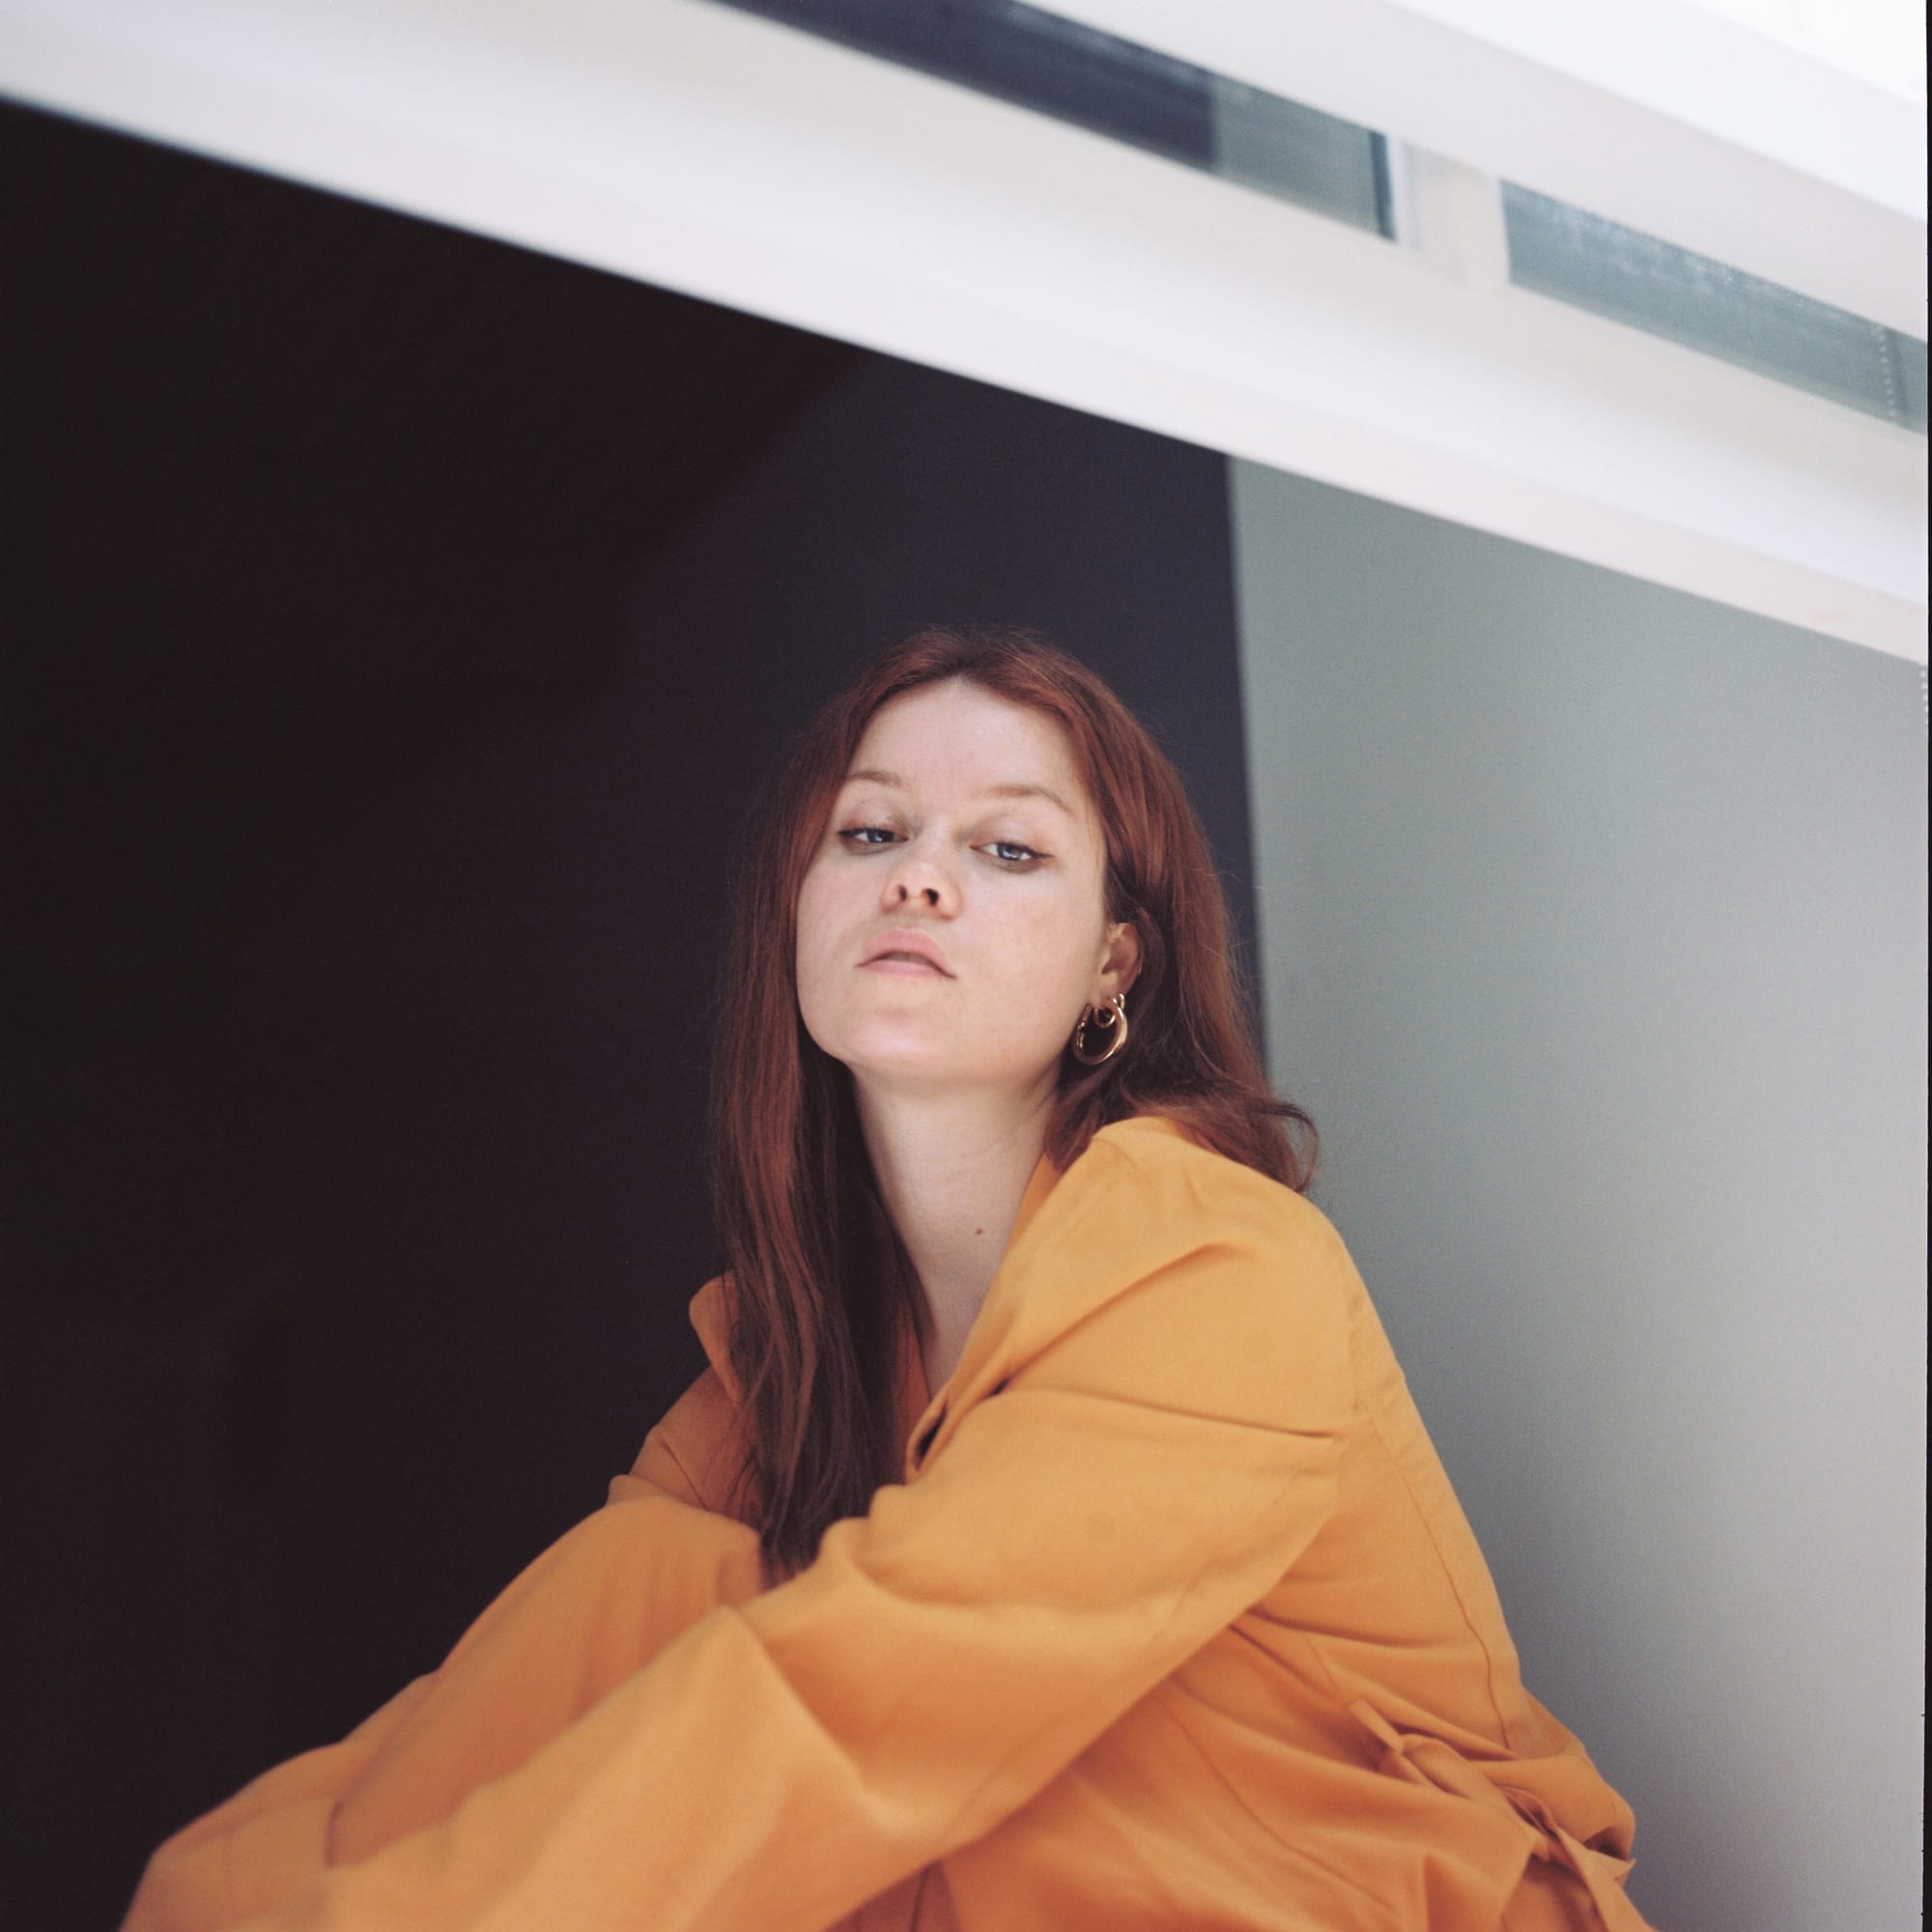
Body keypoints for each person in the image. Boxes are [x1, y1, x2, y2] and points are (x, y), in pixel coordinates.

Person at [122, 623, 1658, 1932]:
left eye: (1008, 849)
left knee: (831, 1672)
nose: (921, 878)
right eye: (871, 834)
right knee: (652, 1581)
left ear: (1113, 964)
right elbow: (530, 1695)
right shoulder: (796, 1353)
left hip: (1371, 1897)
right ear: (797, 906)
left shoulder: (1219, 1260)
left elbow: (872, 1699)